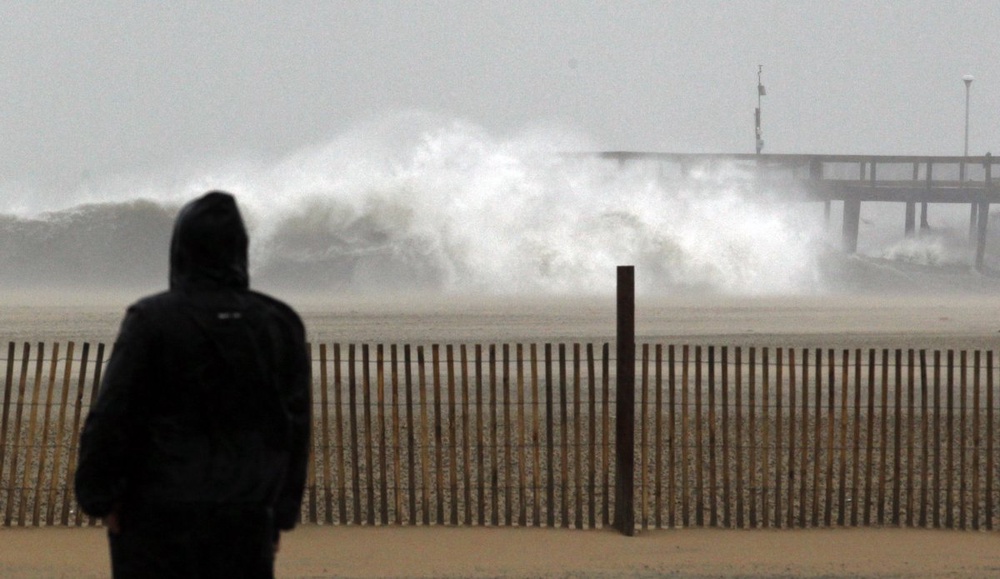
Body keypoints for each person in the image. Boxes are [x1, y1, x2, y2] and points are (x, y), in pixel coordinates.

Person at [75, 191, 311, 578]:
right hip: (244, 521)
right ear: (241, 250)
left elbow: (113, 414)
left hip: (154, 520)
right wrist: (279, 516)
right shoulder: (279, 324)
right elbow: (292, 428)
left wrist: (100, 498)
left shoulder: (152, 320)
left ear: (180, 249)